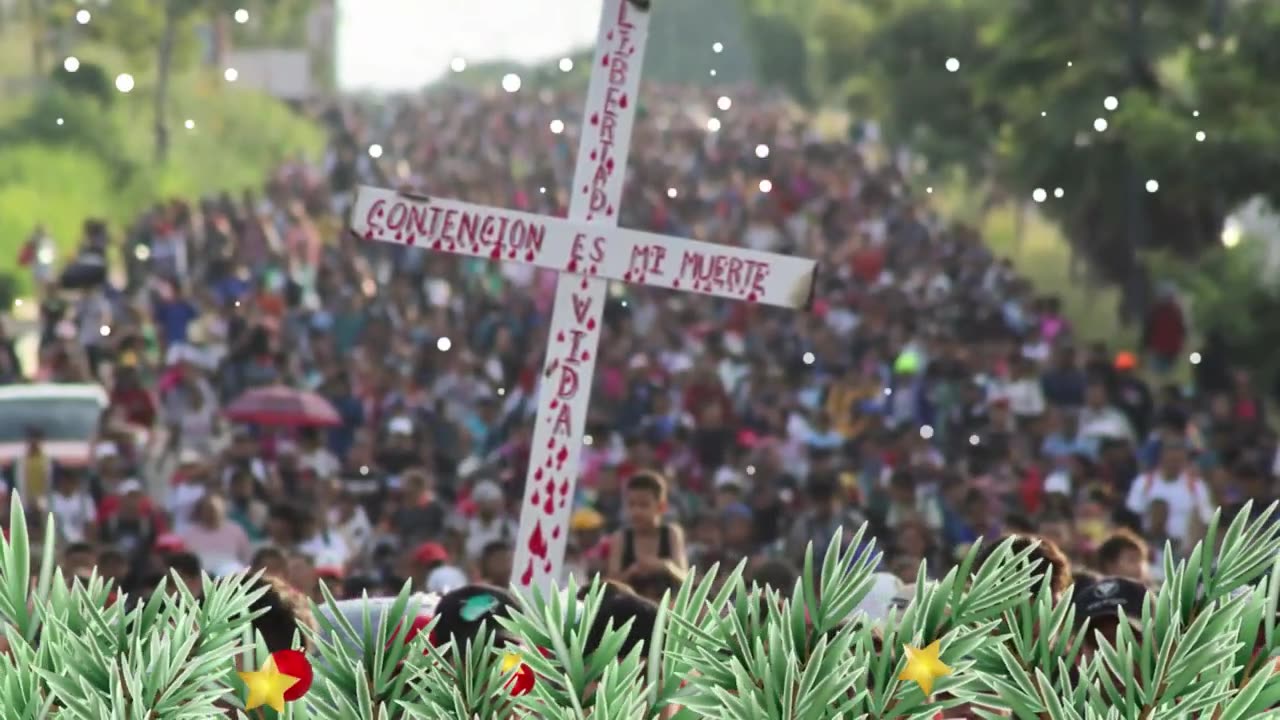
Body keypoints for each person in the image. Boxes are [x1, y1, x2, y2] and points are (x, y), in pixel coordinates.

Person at [606, 471, 688, 582]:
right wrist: (631, 572)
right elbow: (611, 583)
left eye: (643, 505)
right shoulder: (621, 537)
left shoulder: (671, 533)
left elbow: (685, 578)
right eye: (631, 504)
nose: (636, 512)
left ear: (661, 507)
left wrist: (666, 567)